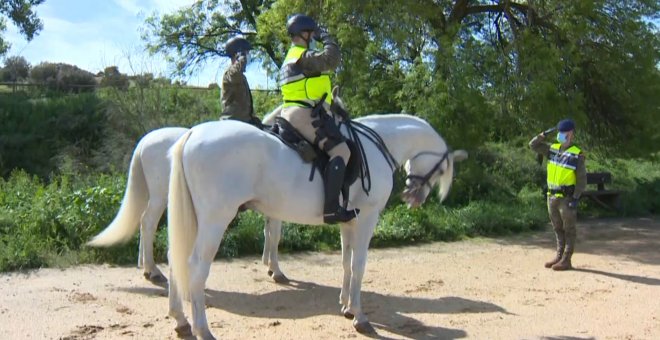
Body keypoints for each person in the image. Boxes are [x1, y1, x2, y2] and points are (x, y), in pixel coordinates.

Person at [279, 14, 357, 224]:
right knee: (342, 151)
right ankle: (332, 210)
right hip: (303, 114)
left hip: (292, 112)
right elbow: (331, 60)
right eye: (312, 33)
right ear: (304, 34)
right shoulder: (303, 57)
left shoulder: (292, 56)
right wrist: (328, 37)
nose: (314, 36)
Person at [529, 119, 587, 270]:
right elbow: (533, 145)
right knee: (557, 228)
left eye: (564, 132)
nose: (560, 135)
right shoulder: (552, 149)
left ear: (571, 134)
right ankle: (559, 255)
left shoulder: (577, 154)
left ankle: (567, 259)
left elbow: (582, 180)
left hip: (567, 198)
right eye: (559, 132)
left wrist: (575, 197)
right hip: (551, 196)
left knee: (569, 229)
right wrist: (543, 134)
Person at [220, 36, 261, 127]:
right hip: (232, 123)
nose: (248, 56)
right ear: (237, 55)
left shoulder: (243, 77)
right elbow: (235, 74)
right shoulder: (230, 73)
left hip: (244, 122)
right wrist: (240, 60)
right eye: (246, 53)